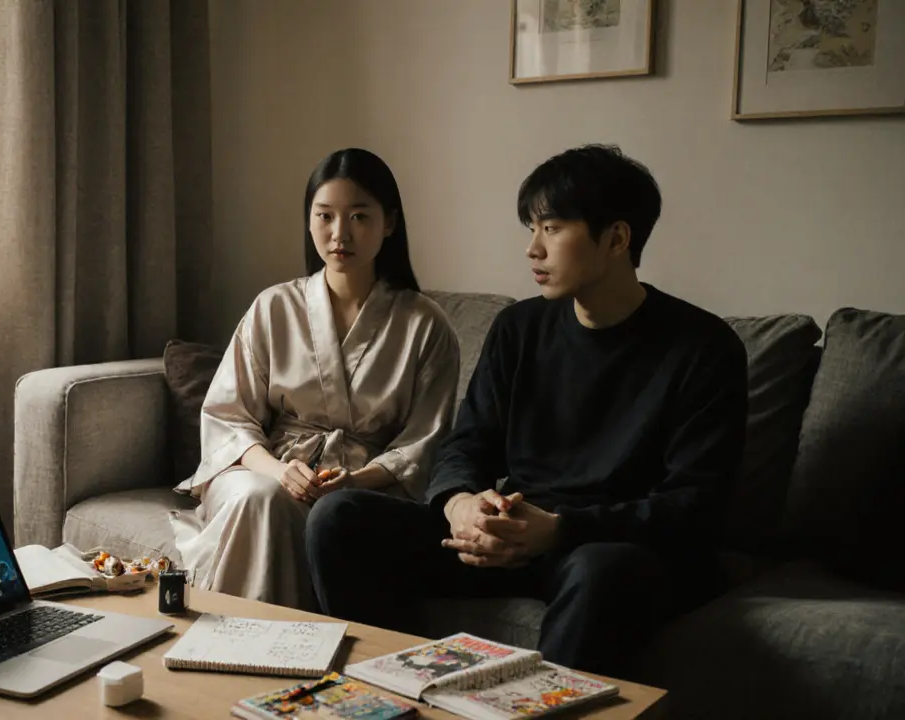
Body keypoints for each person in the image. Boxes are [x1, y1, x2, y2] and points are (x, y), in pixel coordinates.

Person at [306, 144, 748, 677]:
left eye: (553, 229)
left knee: (600, 571)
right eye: (530, 229)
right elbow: (467, 442)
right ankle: (387, 694)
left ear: (617, 238)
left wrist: (560, 529)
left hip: (609, 545)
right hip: (513, 532)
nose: (532, 250)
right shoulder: (519, 329)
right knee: (339, 518)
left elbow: (694, 504)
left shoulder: (702, 347)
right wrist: (461, 504)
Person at [169, 148, 461, 610]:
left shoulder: (425, 324)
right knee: (258, 499)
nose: (339, 233)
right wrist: (280, 471)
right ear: (309, 221)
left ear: (389, 223)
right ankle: (237, 647)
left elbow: (426, 440)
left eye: (359, 217)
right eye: (325, 216)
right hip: (264, 469)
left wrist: (355, 481)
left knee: (330, 515)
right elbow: (229, 415)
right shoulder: (273, 307)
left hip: (364, 485)